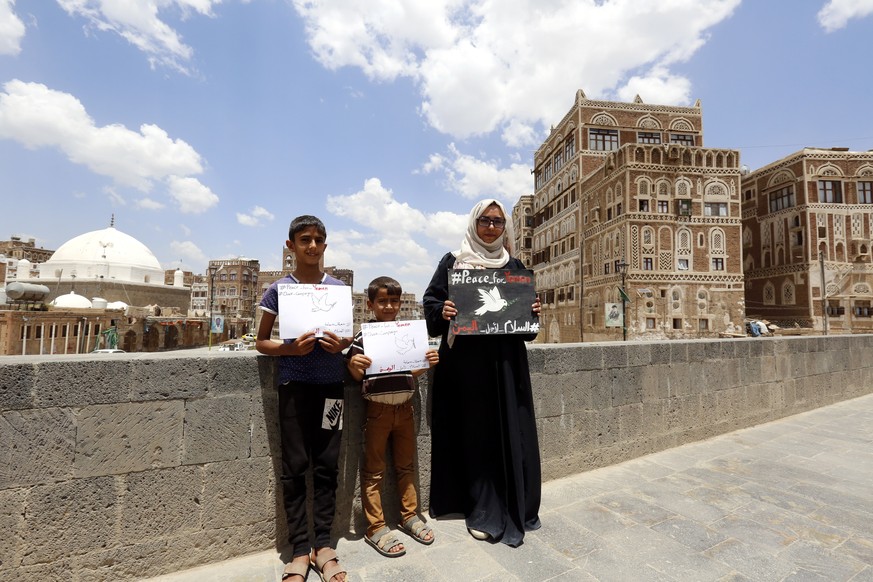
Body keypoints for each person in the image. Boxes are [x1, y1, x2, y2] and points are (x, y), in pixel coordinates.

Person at [423, 199, 542, 547]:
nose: (491, 227)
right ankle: (479, 506)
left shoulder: (514, 265)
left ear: (505, 227)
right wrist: (441, 309)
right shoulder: (454, 262)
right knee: (473, 435)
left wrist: (532, 311)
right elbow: (430, 305)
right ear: (474, 223)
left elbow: (526, 327)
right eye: (485, 221)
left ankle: (511, 502)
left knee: (509, 434)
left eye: (497, 222)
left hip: (505, 368)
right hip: (466, 369)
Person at [256, 215, 350, 582]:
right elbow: (262, 341)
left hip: (332, 389)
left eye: (319, 240)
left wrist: (341, 345)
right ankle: (298, 549)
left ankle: (324, 545)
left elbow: (346, 340)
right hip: (293, 389)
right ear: (290, 245)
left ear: (325, 245)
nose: (312, 246)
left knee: (328, 465)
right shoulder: (279, 289)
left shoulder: (338, 289)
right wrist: (292, 352)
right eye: (305, 239)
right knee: (294, 467)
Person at [346, 276, 439, 557]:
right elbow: (356, 375)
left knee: (406, 466)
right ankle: (375, 527)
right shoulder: (364, 336)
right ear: (370, 304)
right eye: (383, 301)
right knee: (374, 471)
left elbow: (409, 372)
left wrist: (425, 364)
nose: (389, 306)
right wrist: (353, 363)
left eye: (394, 301)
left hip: (405, 409)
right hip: (377, 411)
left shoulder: (408, 334)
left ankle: (409, 515)